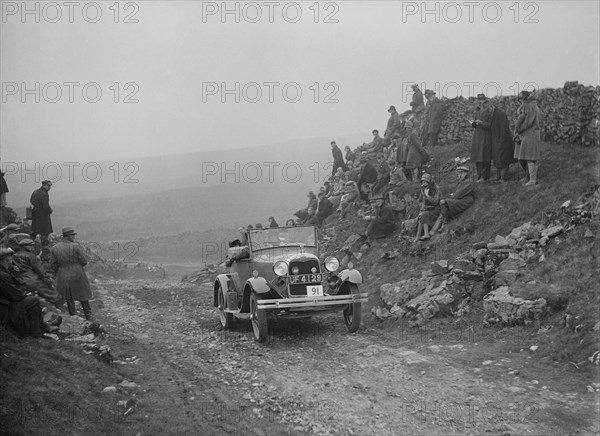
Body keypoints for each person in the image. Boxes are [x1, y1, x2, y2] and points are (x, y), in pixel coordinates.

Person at [0, 247, 59, 337]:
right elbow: (14, 294)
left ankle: (37, 333)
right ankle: (43, 328)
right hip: (5, 305)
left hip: (9, 301)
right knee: (35, 300)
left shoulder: (7, 270)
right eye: (10, 257)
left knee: (34, 308)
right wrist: (25, 295)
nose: (11, 259)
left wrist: (23, 292)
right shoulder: (3, 275)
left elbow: (18, 284)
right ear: (6, 259)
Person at [50, 227, 92, 320]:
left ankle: (74, 318)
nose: (73, 237)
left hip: (63, 273)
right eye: (72, 235)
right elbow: (84, 261)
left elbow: (53, 265)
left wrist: (59, 269)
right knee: (83, 295)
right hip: (77, 272)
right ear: (68, 236)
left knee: (68, 296)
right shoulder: (76, 246)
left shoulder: (54, 248)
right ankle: (88, 316)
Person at [12, 238, 64, 308]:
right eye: (30, 246)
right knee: (53, 294)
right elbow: (40, 270)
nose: (32, 248)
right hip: (33, 281)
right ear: (25, 246)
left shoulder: (13, 256)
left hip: (21, 282)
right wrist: (47, 279)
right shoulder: (31, 256)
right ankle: (61, 310)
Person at [431, 166, 477, 234]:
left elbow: (458, 194)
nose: (459, 175)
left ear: (465, 173)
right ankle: (433, 231)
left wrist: (452, 196)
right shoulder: (464, 181)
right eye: (458, 174)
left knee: (443, 203)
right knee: (443, 209)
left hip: (466, 201)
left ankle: (445, 224)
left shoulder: (468, 182)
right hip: (462, 199)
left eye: (461, 173)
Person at [514, 90, 542, 186]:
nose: (520, 102)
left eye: (520, 100)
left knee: (530, 157)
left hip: (530, 134)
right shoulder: (533, 105)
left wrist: (519, 130)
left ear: (524, 99)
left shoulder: (529, 106)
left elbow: (528, 123)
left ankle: (532, 180)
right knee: (529, 156)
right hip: (532, 133)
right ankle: (529, 177)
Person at [486, 101, 515, 182]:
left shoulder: (500, 113)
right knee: (497, 159)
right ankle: (498, 177)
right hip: (496, 140)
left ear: (492, 106)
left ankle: (504, 178)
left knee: (503, 159)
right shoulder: (493, 114)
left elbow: (504, 128)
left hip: (503, 141)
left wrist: (501, 140)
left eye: (488, 109)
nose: (488, 111)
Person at [470, 95, 493, 181]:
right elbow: (475, 123)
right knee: (477, 157)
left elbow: (491, 125)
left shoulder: (489, 111)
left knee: (485, 157)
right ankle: (479, 175)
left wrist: (482, 123)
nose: (479, 103)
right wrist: (473, 123)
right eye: (478, 102)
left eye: (481, 101)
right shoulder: (477, 111)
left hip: (485, 136)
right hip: (477, 136)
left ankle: (485, 176)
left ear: (485, 101)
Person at [414, 173, 440, 241]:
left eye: (425, 182)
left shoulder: (435, 189)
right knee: (421, 215)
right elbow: (420, 200)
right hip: (427, 208)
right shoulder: (423, 188)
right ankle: (418, 236)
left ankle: (426, 234)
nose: (423, 183)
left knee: (423, 215)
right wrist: (422, 204)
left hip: (435, 209)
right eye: (422, 181)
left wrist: (427, 195)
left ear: (429, 182)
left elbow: (436, 202)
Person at [30, 180, 54, 247]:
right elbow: (46, 207)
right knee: (45, 232)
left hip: (35, 213)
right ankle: (44, 247)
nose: (50, 187)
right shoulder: (44, 194)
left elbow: (31, 201)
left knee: (34, 230)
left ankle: (30, 243)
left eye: (50, 186)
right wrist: (50, 210)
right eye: (48, 185)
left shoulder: (35, 191)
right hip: (43, 215)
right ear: (44, 185)